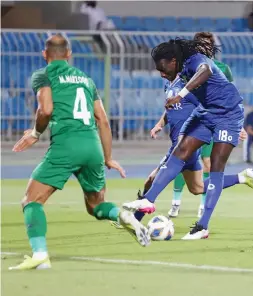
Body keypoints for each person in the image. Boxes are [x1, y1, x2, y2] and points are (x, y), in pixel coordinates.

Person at [9, 34, 150, 270]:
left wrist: (35, 133)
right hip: (92, 146)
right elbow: (103, 121)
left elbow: (45, 110)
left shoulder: (43, 75)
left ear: (45, 54)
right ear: (69, 54)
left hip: (66, 145)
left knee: (31, 200)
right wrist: (107, 157)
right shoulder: (85, 79)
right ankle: (123, 216)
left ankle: (40, 255)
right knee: (96, 207)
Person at [122, 38, 249, 240]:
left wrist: (180, 95)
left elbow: (205, 71)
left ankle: (202, 227)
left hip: (228, 115)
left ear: (173, 60)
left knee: (215, 166)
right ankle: (148, 201)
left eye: (162, 68)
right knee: (180, 151)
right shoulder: (181, 72)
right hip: (206, 113)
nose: (161, 73)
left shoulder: (196, 61)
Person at [170, 31, 237, 218]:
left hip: (214, 121)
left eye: (207, 44)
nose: (204, 48)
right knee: (182, 160)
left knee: (208, 164)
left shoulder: (223, 69)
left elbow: (230, 95)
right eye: (200, 44)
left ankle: (202, 204)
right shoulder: (189, 66)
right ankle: (176, 202)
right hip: (192, 120)